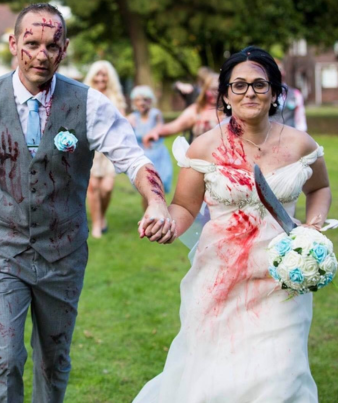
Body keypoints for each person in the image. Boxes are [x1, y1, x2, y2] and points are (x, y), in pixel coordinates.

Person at [0, 3, 176, 403]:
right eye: (32, 43)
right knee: (5, 357)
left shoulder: (90, 104)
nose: (41, 54)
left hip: (62, 255)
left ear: (64, 48)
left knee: (54, 359)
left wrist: (156, 201)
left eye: (52, 45)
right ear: (14, 44)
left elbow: (132, 158)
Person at [134, 46, 331, 402]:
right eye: (238, 85)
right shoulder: (205, 148)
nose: (250, 92)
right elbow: (183, 207)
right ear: (224, 94)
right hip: (220, 278)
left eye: (259, 84)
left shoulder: (300, 144)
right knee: (215, 376)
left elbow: (320, 187)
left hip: (283, 277)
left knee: (281, 376)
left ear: (274, 93)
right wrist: (166, 223)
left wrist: (313, 227)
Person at [83, 60, 127, 238]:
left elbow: (121, 123)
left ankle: (102, 216)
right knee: (93, 186)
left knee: (107, 188)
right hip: (90, 147)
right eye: (98, 75)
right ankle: (96, 224)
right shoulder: (86, 95)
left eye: (104, 75)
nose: (101, 78)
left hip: (110, 148)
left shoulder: (116, 98)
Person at [143, 73, 224, 147]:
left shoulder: (230, 110)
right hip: (200, 160)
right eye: (213, 89)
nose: (216, 93)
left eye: (219, 89)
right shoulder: (197, 110)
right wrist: (156, 132)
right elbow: (174, 126)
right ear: (205, 90)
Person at [127, 85, 173, 208]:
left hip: (158, 156)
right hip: (142, 157)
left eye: (145, 100)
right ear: (134, 102)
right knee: (146, 191)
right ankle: (149, 215)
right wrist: (127, 121)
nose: (142, 103)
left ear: (151, 101)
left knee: (159, 188)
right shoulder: (133, 117)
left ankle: (163, 214)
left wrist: (152, 134)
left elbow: (160, 128)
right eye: (138, 100)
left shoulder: (155, 114)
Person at [271, 58, 307, 131]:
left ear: (284, 72)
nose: (278, 73)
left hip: (291, 137)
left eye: (280, 69)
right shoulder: (264, 95)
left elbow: (300, 120)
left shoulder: (295, 94)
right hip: (270, 137)